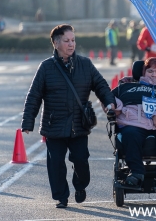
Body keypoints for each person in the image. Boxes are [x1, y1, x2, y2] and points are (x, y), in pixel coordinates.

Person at [21, 24, 116, 208]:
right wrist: (28, 121)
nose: (71, 44)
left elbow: (101, 85)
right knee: (55, 164)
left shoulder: (85, 65)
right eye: (66, 41)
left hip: (79, 125)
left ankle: (80, 186)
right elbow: (34, 96)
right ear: (56, 43)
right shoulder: (46, 68)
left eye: (73, 40)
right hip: (54, 125)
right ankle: (61, 197)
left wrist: (110, 102)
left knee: (81, 161)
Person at [111, 57, 156, 187]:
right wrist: (117, 107)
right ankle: (136, 172)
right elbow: (109, 98)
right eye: (150, 71)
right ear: (143, 73)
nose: (154, 74)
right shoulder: (126, 87)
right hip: (133, 122)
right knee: (130, 135)